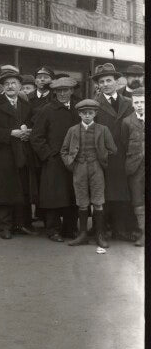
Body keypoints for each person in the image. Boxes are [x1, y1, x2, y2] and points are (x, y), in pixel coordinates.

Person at [0, 66, 34, 240]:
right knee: (4, 190)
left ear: (20, 86)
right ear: (2, 86)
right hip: (3, 154)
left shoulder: (26, 105)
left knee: (21, 188)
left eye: (14, 83)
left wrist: (29, 133)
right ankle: (5, 226)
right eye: (7, 84)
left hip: (21, 152)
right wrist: (10, 133)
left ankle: (19, 224)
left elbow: (33, 125)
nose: (11, 86)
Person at [29, 76, 80, 242]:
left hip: (75, 159)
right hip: (54, 160)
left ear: (72, 90)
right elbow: (36, 137)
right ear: (54, 92)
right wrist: (48, 155)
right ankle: (53, 230)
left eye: (66, 90)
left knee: (72, 194)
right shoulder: (47, 110)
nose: (63, 93)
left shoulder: (78, 109)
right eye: (59, 91)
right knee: (54, 196)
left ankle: (70, 229)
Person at [61, 99, 117, 249]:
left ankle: (99, 235)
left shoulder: (103, 129)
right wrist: (70, 163)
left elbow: (113, 150)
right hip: (79, 168)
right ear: (79, 114)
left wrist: (102, 158)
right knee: (82, 201)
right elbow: (64, 150)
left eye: (90, 113)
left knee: (98, 200)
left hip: (96, 168)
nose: (87, 116)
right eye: (84, 113)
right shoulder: (72, 130)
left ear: (95, 114)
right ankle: (83, 234)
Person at [92, 62, 135, 241]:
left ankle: (121, 229)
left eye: (109, 80)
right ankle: (101, 230)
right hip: (104, 156)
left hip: (124, 154)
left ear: (117, 82)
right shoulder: (94, 104)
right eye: (101, 82)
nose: (105, 84)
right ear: (98, 85)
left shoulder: (129, 103)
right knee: (103, 193)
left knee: (123, 193)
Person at [121, 89, 144, 246]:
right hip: (135, 167)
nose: (140, 106)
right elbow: (124, 143)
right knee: (137, 201)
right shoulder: (127, 122)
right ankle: (143, 232)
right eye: (136, 102)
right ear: (132, 104)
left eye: (143, 102)